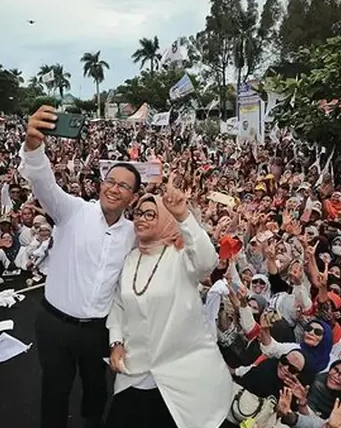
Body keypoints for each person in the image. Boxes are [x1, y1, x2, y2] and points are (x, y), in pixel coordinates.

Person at [20, 105, 141, 428]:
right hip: (54, 324)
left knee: (96, 388)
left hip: (96, 330)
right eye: (110, 181)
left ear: (133, 196)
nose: (114, 188)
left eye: (123, 186)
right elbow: (42, 182)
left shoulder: (132, 234)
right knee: (55, 391)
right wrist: (34, 145)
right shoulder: (72, 211)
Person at [106, 178, 232, 428]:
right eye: (138, 213)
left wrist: (183, 215)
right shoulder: (130, 258)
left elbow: (208, 261)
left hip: (181, 371)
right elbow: (119, 303)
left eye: (150, 214)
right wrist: (116, 342)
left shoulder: (181, 256)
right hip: (136, 368)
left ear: (165, 220)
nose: (140, 219)